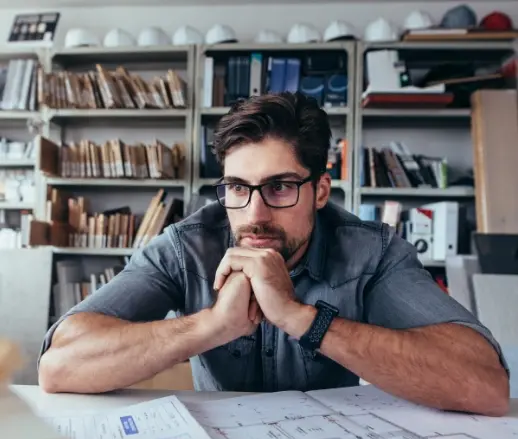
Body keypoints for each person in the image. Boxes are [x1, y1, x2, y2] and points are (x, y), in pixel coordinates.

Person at [38, 92, 510, 416]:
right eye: (238, 188)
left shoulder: (372, 252)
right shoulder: (187, 245)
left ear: (320, 190)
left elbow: (486, 385)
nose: (255, 213)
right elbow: (59, 366)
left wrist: (303, 318)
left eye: (280, 187)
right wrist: (210, 326)